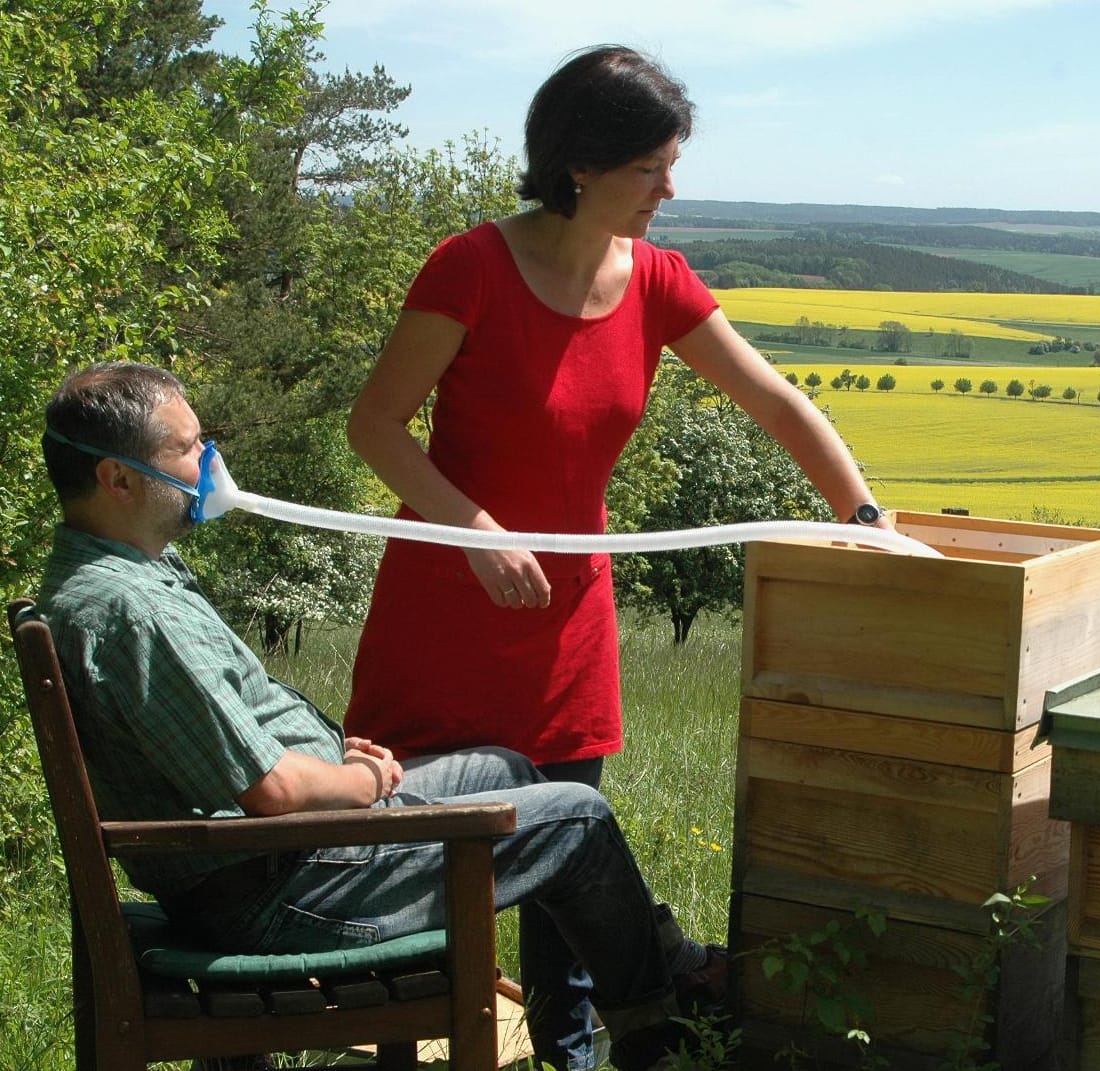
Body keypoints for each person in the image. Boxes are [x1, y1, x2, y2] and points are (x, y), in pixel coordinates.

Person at [341, 44, 888, 1067]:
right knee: (412, 857)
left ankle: (577, 1054)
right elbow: (374, 426)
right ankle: (403, 1040)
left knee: (566, 858)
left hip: (569, 622)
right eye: (650, 169)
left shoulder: (660, 282)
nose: (669, 190)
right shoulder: (469, 267)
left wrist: (866, 520)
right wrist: (471, 527)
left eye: (670, 166)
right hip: (444, 611)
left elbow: (778, 403)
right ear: (579, 162)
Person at [35, 361, 722, 1071]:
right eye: (185, 447)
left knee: (506, 768)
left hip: (278, 857)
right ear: (117, 480)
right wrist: (358, 781)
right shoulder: (127, 611)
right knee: (576, 817)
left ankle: (619, 1008)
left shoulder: (127, 575)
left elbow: (223, 751)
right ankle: (662, 1040)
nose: (208, 459)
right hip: (289, 887)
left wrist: (333, 759)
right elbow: (268, 790)